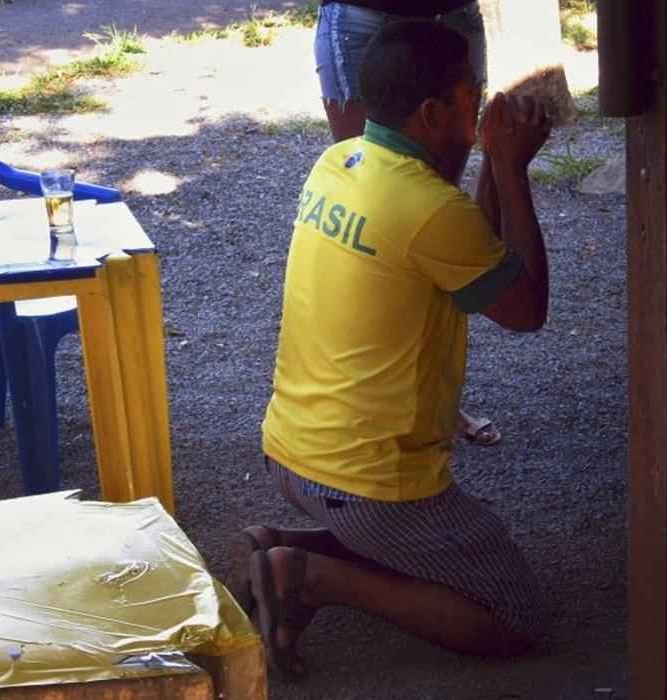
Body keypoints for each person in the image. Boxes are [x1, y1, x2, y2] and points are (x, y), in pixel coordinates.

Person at [228, 19, 551, 678]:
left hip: (292, 457)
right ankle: (311, 576)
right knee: (514, 616)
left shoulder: (338, 164)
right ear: (432, 114)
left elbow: (474, 254)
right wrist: (512, 169)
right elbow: (524, 310)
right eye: (474, 93)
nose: (484, 103)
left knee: (430, 550)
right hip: (370, 483)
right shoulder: (430, 211)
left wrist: (488, 157)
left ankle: (285, 542)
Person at [316, 0, 500, 446]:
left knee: (435, 215)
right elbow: (529, 311)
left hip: (451, 16)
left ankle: (438, 400)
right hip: (362, 17)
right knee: (374, 213)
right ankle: (355, 407)